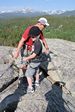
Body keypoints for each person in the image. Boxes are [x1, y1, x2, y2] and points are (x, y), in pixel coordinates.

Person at [23, 26, 43, 93]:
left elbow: (34, 55)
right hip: (38, 61)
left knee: (28, 75)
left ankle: (30, 88)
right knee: (37, 71)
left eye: (33, 37)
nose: (32, 38)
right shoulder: (37, 41)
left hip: (34, 61)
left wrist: (26, 58)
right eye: (31, 36)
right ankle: (37, 82)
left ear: (39, 35)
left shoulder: (38, 44)